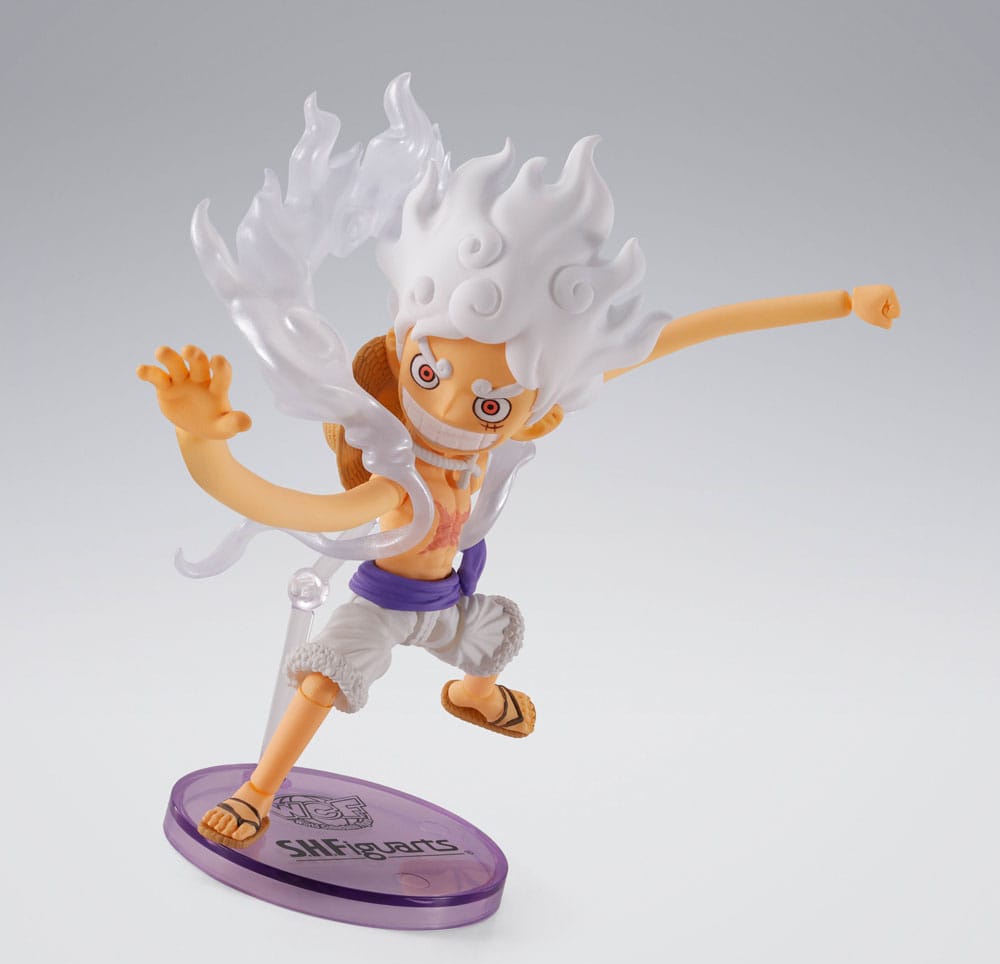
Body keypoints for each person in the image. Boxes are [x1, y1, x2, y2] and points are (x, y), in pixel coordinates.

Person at [139, 88, 899, 850]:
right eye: (432, 373)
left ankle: (471, 694)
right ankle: (257, 792)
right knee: (323, 678)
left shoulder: (494, 445)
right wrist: (201, 444)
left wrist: (841, 301)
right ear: (402, 352)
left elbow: (676, 336)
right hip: (384, 608)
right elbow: (282, 507)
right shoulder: (397, 482)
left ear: (535, 403)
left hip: (450, 602)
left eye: (492, 402)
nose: (456, 404)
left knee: (491, 634)